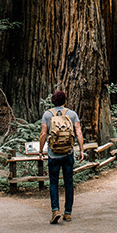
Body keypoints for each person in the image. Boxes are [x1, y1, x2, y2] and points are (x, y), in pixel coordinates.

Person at [39, 90, 85, 224]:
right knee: (68, 182)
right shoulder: (72, 114)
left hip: (53, 155)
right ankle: (68, 213)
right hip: (68, 154)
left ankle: (55, 209)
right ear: (65, 101)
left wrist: (41, 151)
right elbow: (78, 132)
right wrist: (81, 150)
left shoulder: (47, 115)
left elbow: (43, 134)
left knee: (53, 182)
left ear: (53, 101)